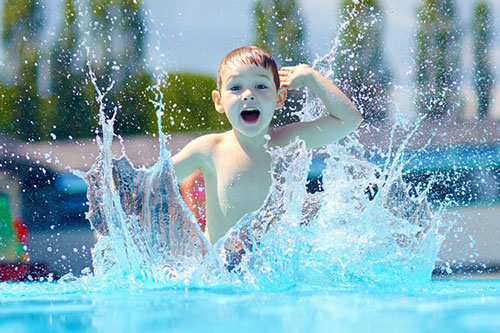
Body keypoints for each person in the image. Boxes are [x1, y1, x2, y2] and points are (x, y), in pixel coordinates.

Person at [172, 46, 362, 244]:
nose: (248, 94)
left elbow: (350, 120)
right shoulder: (209, 149)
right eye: (236, 87)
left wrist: (311, 78)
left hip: (270, 267)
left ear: (279, 98)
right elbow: (155, 180)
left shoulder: (289, 142)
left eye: (261, 86)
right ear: (219, 101)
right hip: (221, 269)